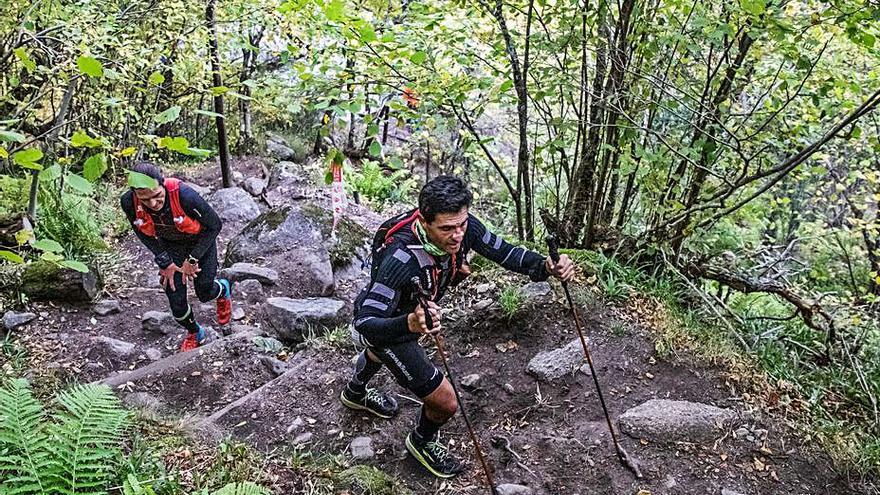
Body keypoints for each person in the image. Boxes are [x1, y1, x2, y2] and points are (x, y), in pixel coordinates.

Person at [340, 175, 574, 478]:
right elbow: (367, 325)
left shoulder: (464, 226)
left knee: (381, 353)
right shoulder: (400, 259)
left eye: (462, 224)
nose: (458, 235)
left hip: (413, 313)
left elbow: (504, 252)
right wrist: (409, 323)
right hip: (391, 324)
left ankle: (356, 392)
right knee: (446, 403)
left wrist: (544, 265)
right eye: (447, 228)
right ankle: (421, 441)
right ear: (424, 222)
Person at [120, 161, 232, 351]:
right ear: (135, 193)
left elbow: (215, 225)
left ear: (162, 183)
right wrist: (164, 260)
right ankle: (195, 332)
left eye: (157, 196)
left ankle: (223, 290)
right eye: (145, 200)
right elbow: (140, 231)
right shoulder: (129, 202)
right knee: (177, 304)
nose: (153, 204)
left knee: (204, 292)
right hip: (170, 246)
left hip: (199, 243)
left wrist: (193, 259)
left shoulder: (184, 195)